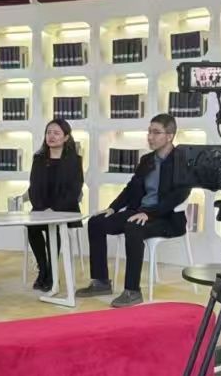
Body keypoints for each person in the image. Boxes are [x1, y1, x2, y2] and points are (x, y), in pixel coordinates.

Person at [76, 114, 191, 309]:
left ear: (170, 136)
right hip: (139, 212)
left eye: (156, 132)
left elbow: (179, 195)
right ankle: (101, 281)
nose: (150, 137)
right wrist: (113, 207)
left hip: (166, 218)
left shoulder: (183, 161)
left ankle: (132, 291)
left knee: (133, 227)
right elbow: (131, 188)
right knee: (96, 222)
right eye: (149, 132)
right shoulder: (147, 160)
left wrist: (150, 213)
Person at [27, 118, 83, 292]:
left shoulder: (74, 160)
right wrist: (41, 208)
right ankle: (43, 269)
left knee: (55, 228)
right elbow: (33, 187)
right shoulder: (38, 159)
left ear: (66, 137)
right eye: (48, 132)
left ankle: (52, 273)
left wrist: (54, 209)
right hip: (41, 209)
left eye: (56, 133)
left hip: (65, 209)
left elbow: (74, 190)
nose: (51, 136)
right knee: (32, 228)